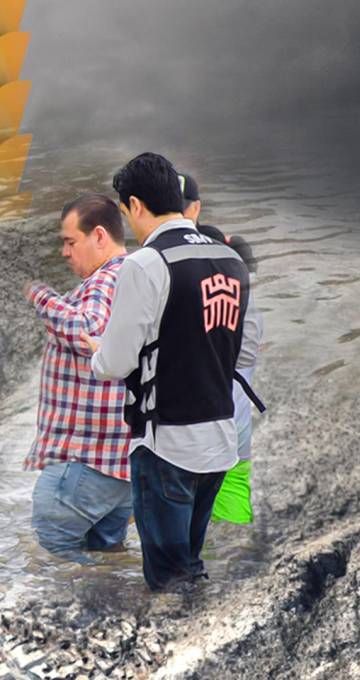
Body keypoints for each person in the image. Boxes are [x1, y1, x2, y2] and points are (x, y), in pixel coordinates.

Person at [84, 153, 257, 592]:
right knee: (190, 566)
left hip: (166, 446)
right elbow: (243, 351)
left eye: (125, 213)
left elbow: (116, 362)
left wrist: (97, 351)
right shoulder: (230, 260)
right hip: (219, 442)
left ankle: (181, 649)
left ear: (136, 205)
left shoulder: (145, 264)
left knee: (167, 578)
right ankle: (206, 635)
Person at [23, 194, 131, 560]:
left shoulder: (105, 280)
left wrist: (40, 295)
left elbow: (86, 330)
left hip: (88, 461)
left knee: (50, 555)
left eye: (71, 242)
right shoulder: (132, 276)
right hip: (119, 463)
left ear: (99, 235)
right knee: (108, 557)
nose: (65, 252)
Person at [178, 172, 263, 524]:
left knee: (197, 512)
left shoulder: (173, 264)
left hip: (204, 426)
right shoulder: (228, 262)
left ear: (195, 208)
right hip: (229, 419)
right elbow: (249, 349)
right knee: (228, 512)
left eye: (181, 208)